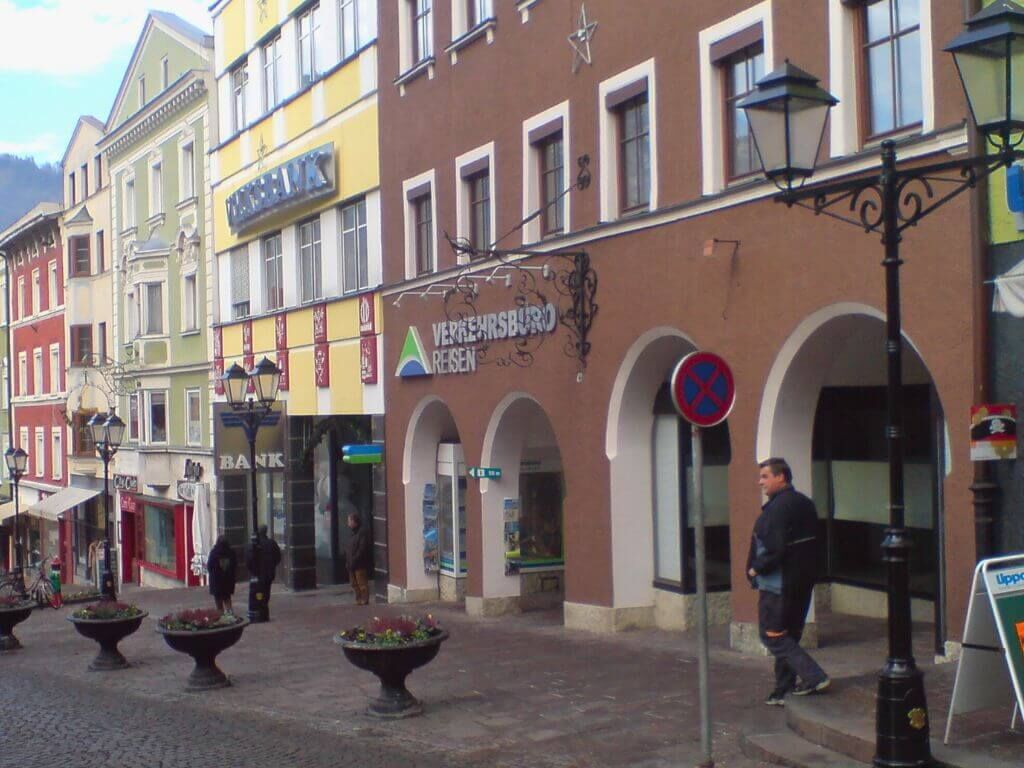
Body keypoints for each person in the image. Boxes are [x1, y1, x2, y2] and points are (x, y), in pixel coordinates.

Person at [747, 457, 831, 706]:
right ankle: (783, 690)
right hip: (802, 581)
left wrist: (755, 569)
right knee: (789, 635)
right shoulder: (805, 503)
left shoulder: (777, 509)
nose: (760, 482)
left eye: (765, 476)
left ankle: (813, 675)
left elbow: (774, 548)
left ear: (780, 477)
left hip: (778, 584)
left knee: (771, 634)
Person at [247, 525, 282, 622]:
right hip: (268, 574)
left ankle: (260, 611)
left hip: (258, 574)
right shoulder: (271, 543)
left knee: (258, 592)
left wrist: (253, 570)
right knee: (266, 592)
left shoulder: (254, 545)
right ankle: (264, 609)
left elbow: (249, 560)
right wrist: (272, 566)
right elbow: (278, 557)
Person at [206, 535, 237, 614]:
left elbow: (209, 566)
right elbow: (235, 566)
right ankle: (230, 615)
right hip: (228, 580)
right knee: (227, 598)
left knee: (218, 602)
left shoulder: (214, 552)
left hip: (217, 582)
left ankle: (221, 616)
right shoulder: (231, 552)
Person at [346, 513, 372, 606]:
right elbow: (349, 548)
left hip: (359, 563)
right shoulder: (352, 533)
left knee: (362, 582)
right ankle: (358, 599)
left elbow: (362, 548)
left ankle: (364, 599)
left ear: (354, 522)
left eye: (349, 521)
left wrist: (355, 559)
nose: (348, 523)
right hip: (351, 563)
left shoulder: (362, 533)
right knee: (354, 583)